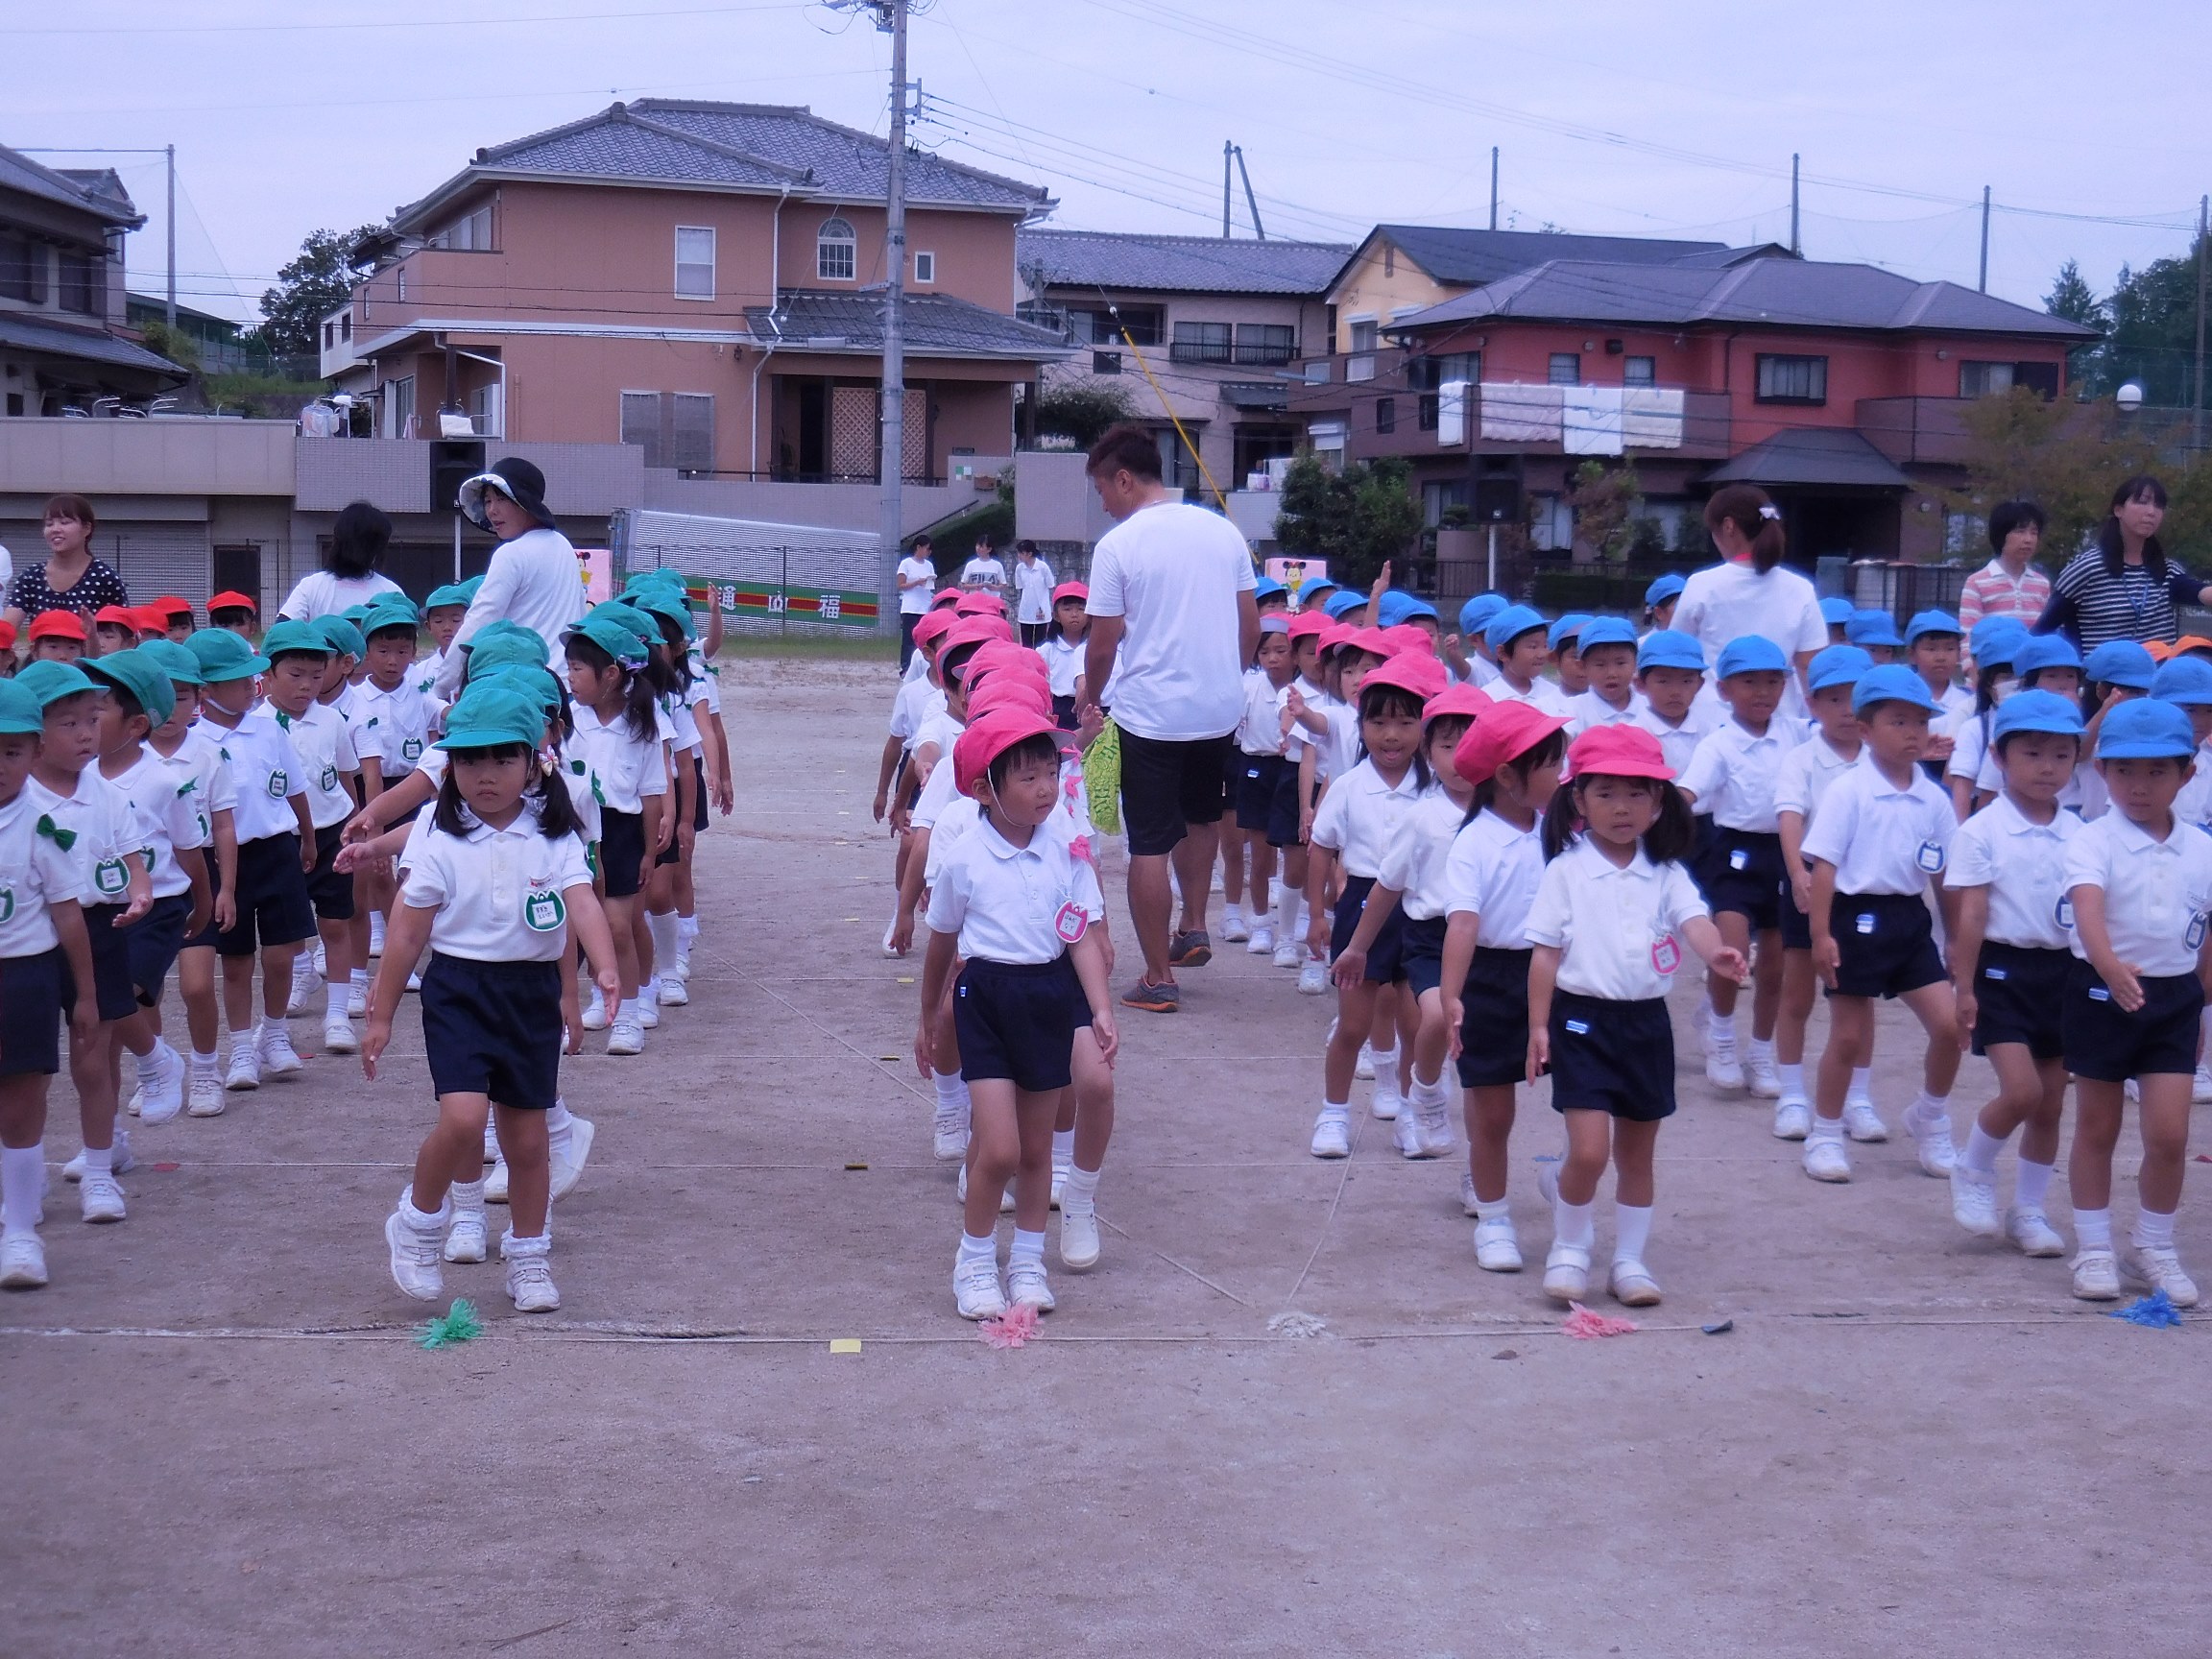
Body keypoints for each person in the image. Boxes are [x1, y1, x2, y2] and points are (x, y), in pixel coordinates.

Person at [371, 685, 619, 1314]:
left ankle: (528, 1259)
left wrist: (605, 970)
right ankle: (418, 1223)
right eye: (470, 759)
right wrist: (380, 1014)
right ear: (449, 765)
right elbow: (406, 933)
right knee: (462, 1121)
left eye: (503, 759)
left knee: (529, 1143)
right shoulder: (440, 837)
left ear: (533, 762)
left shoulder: (554, 834)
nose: (486, 774)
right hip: (459, 991)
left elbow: (581, 902)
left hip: (529, 995)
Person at [1527, 725, 1745, 1307]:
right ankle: (1570, 1248)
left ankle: (1629, 1260)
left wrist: (1716, 953)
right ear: (1579, 800)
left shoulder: (1667, 872)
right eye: (1605, 793)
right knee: (1590, 1151)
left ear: (1658, 803)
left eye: (1636, 794)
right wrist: (1538, 1026)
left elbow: (1694, 921)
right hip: (1581, 1023)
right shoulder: (1566, 871)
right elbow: (1545, 953)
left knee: (1636, 1154)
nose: (1621, 808)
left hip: (1647, 1025)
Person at [919, 708, 1118, 1321]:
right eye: (1027, 778)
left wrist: (1101, 1008)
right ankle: (975, 1261)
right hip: (985, 1000)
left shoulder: (1066, 852)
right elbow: (941, 945)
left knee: (1036, 1151)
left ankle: (1028, 1263)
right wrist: (928, 1018)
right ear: (985, 790)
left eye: (1050, 774)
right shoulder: (965, 859)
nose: (1045, 789)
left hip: (1048, 1000)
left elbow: (1079, 936)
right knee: (1000, 1148)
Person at [1078, 423, 1260, 1015]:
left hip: (1152, 714)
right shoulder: (1223, 531)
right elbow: (1251, 625)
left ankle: (1158, 977)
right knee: (1201, 816)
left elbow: (1102, 644)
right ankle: (1194, 924)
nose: (1104, 505)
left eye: (1103, 491)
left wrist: (1091, 697)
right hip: (1219, 710)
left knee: (1149, 843)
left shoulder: (1119, 546)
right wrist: (1228, 677)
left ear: (1124, 479)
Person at [2058, 697, 2212, 1307]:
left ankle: (2154, 1245)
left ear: (2187, 774)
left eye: (2156, 771)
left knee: (2170, 1135)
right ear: (2102, 771)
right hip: (2101, 991)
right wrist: (2109, 966)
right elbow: (2088, 907)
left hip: (2174, 999)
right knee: (2098, 1126)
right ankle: (2094, 1248)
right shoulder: (2092, 839)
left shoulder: (2202, 848)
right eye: (2124, 770)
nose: (2139, 786)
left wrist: (2201, 1002)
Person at [1800, 665, 1962, 1185]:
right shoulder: (1848, 792)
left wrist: (1955, 939)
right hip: (1854, 919)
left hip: (1909, 921)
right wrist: (1821, 935)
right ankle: (1825, 1133)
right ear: (1866, 730)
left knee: (1951, 1026)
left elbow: (1943, 875)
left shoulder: (1934, 799)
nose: (1913, 732)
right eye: (1899, 721)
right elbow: (1824, 867)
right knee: (1848, 1037)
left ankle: (1930, 1117)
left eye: (1921, 721)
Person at [1944, 689, 2084, 1259]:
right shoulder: (1982, 831)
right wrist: (1964, 986)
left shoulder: (2082, 833)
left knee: (2050, 1103)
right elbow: (1971, 915)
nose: (2047, 767)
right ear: (1999, 757)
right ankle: (1973, 1167)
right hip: (2002, 971)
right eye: (2032, 753)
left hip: (2064, 972)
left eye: (2061, 755)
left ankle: (2028, 1209)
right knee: (2022, 1091)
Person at [1332, 679, 1487, 1161]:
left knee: (1468, 1052)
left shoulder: (1508, 817)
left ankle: (1426, 1123)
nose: (1460, 758)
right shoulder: (1421, 816)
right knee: (1416, 1019)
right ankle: (1400, 1099)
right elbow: (1387, 885)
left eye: (1473, 746)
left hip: (1488, 943)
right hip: (1428, 934)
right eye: (1448, 746)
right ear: (1430, 749)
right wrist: (1356, 946)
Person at [1438, 702, 1568, 1271]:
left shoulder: (1561, 833)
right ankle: (1493, 1218)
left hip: (1561, 978)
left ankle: (1565, 1174)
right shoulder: (1475, 843)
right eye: (1551, 763)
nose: (1562, 774)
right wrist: (1451, 995)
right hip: (1492, 979)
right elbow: (1463, 924)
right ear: (1509, 777)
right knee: (1493, 1113)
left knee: (1586, 1093)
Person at [1306, 655, 1438, 1156]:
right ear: (1360, 726)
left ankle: (1409, 1113)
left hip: (1420, 911)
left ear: (1423, 727)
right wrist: (1317, 915)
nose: (1391, 735)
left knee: (1415, 1025)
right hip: (1360, 906)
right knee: (1354, 1025)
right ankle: (1333, 1114)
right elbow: (1321, 847)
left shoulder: (1434, 788)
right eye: (1378, 722)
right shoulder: (1348, 785)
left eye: (1405, 723)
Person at [0, 678, 102, 1289]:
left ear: (35, 752)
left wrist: (84, 995)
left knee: (20, 1100)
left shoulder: (41, 827)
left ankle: (19, 1231)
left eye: (11, 751)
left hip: (24, 976)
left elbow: (68, 915)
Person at [183, 627, 317, 1094]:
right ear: (206, 690)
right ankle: (242, 1046)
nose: (251, 686)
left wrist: (308, 838)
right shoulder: (194, 740)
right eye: (238, 680)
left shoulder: (268, 727)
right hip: (224, 860)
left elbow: (295, 786)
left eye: (251, 677)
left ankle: (274, 1033)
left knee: (282, 952)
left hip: (276, 849)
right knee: (237, 959)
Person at [1676, 637, 1803, 1096]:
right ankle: (1723, 1036)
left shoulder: (1797, 734)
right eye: (1749, 682)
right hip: (1733, 853)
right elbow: (1688, 792)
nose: (1762, 692)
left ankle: (1761, 1052)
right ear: (1724, 690)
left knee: (1775, 964)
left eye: (1772, 682)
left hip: (1786, 851)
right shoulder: (1719, 744)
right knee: (1730, 948)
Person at [1770, 644, 1872, 1141]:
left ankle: (1859, 1097)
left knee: (1858, 997)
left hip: (1864, 890)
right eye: (1834, 699)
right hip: (1812, 880)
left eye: (1857, 698)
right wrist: (1798, 874)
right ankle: (1792, 1094)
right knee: (1798, 991)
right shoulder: (1802, 759)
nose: (1847, 710)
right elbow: (1790, 817)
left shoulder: (1880, 759)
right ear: (1812, 704)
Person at [436, 460, 587, 699]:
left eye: (502, 499)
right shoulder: (563, 545)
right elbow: (579, 615)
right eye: (487, 501)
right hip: (565, 690)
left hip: (522, 689)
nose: (492, 511)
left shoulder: (511, 553)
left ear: (525, 503)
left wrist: (440, 687)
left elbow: (478, 622)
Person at [1671, 485, 1824, 711]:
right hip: (1780, 718)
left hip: (1714, 716)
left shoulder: (1702, 584)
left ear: (1728, 526)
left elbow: (1676, 651)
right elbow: (1810, 666)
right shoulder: (1801, 588)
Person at [2036, 475, 2212, 652]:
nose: (2151, 512)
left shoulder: (2166, 570)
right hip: (2102, 669)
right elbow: (2043, 629)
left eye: (2159, 505)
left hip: (2160, 667)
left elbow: (2199, 591)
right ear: (2118, 510)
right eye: (2142, 502)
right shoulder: (2087, 568)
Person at [4, 494, 129, 631]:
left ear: (87, 528)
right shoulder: (31, 577)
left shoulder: (105, 578)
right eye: (49, 524)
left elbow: (124, 632)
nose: (55, 529)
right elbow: (6, 628)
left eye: (64, 522)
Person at [276, 502, 404, 622]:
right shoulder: (390, 592)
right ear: (377, 547)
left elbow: (281, 630)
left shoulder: (312, 586)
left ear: (337, 540)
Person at [1958, 500, 2053, 631]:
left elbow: (2048, 632)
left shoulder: (2042, 584)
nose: (2028, 539)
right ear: (2001, 535)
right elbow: (1968, 633)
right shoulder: (1976, 583)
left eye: (2034, 533)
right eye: (2020, 531)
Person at [1036, 582, 1088, 729]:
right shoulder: (1046, 650)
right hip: (1057, 709)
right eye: (1067, 609)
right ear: (1056, 616)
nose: (1074, 614)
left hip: (1088, 707)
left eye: (1081, 609)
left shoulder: (1095, 649)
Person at [896, 535, 937, 669]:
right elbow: (900, 585)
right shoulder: (906, 563)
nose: (928, 552)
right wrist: (916, 582)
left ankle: (923, 666)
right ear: (918, 547)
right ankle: (906, 667)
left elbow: (931, 585)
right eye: (927, 549)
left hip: (925, 607)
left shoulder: (929, 565)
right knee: (909, 640)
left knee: (925, 640)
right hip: (911, 607)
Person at [1012, 541, 1056, 647]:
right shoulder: (1019, 568)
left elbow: (1051, 585)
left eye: (1021, 553)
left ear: (1029, 553)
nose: (1019, 556)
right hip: (1026, 611)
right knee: (1026, 644)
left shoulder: (1043, 567)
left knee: (1040, 644)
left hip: (1041, 611)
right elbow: (1020, 588)